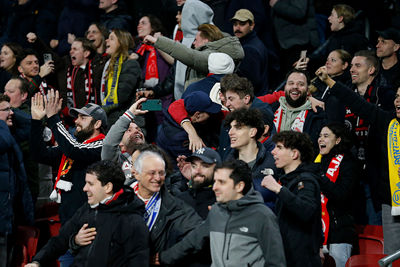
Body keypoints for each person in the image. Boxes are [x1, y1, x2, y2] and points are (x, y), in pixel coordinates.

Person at [315, 65, 400, 255]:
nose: (398, 101)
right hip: (393, 201)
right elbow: (357, 103)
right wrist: (329, 82)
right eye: (397, 97)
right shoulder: (388, 122)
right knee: (393, 256)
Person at [157, 159, 286, 266]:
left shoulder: (262, 216)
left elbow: (276, 263)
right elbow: (193, 241)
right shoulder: (216, 212)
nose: (214, 187)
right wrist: (163, 258)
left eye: (222, 182)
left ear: (239, 186)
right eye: (215, 181)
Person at [25, 160, 150, 267]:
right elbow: (60, 239)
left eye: (90, 184)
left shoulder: (132, 221)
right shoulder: (88, 208)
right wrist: (37, 261)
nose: (84, 188)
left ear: (107, 187)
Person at [130, 150, 203, 265]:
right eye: (152, 173)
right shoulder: (120, 200)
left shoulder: (177, 207)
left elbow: (198, 235)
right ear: (136, 174)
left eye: (161, 173)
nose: (158, 178)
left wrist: (167, 256)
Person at [262, 131, 322, 266]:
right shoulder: (290, 182)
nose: (273, 152)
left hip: (302, 260)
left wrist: (278, 189)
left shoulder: (306, 181)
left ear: (294, 154)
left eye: (279, 147)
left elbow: (307, 211)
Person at [143, 23, 244, 99]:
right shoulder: (209, 55)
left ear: (206, 40)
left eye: (196, 39)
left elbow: (190, 56)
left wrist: (157, 41)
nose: (194, 43)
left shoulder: (213, 57)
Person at [315, 123, 357, 267]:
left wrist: (320, 176)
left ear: (337, 140)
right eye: (320, 136)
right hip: (317, 233)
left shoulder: (348, 162)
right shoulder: (316, 162)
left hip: (340, 232)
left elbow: (341, 194)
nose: (321, 139)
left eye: (326, 136)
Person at [0, 94, 34, 267]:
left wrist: (9, 110)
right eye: (6, 110)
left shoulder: (9, 132)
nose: (11, 113)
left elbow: (30, 124)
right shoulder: (4, 135)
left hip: (9, 215)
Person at [224, 108, 277, 209]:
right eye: (230, 127)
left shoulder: (274, 162)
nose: (230, 132)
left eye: (238, 127)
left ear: (252, 132)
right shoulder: (226, 166)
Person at [156, 91, 222, 162]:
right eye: (209, 112)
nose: (211, 115)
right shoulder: (179, 137)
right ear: (197, 115)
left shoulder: (190, 118)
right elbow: (194, 161)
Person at [100, 29, 141, 126]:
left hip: (127, 123)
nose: (106, 40)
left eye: (112, 38)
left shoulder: (130, 64)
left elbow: (121, 96)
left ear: (121, 43)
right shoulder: (111, 65)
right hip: (113, 120)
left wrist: (101, 111)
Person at [101, 98, 147, 181]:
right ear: (119, 142)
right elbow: (108, 144)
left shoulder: (152, 157)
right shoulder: (115, 160)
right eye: (129, 130)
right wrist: (130, 114)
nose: (136, 131)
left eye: (138, 129)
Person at [175, 147, 221, 219]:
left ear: (218, 169)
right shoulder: (181, 199)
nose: (197, 171)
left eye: (205, 166)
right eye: (194, 166)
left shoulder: (223, 200)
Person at [231, 9, 269, 95]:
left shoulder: (249, 49)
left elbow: (250, 83)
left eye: (242, 24)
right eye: (235, 24)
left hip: (252, 101)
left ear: (252, 25)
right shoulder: (255, 43)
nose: (237, 28)